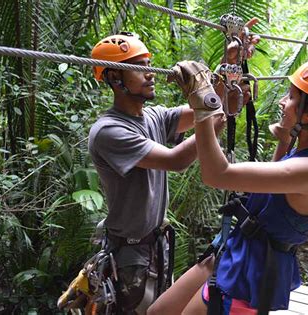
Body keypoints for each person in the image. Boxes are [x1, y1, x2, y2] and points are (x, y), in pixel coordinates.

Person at [147, 58, 308, 315]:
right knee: (158, 312)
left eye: (291, 97)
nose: (282, 102)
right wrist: (284, 142)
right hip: (236, 252)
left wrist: (202, 106)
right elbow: (274, 189)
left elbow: (217, 174)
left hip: (247, 275)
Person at [86, 31, 225, 314]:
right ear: (115, 79)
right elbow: (176, 160)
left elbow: (211, 106)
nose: (150, 73)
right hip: (129, 254)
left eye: (149, 64)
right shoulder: (109, 131)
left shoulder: (154, 116)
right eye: (139, 67)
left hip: (154, 246)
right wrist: (207, 127)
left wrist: (226, 69)